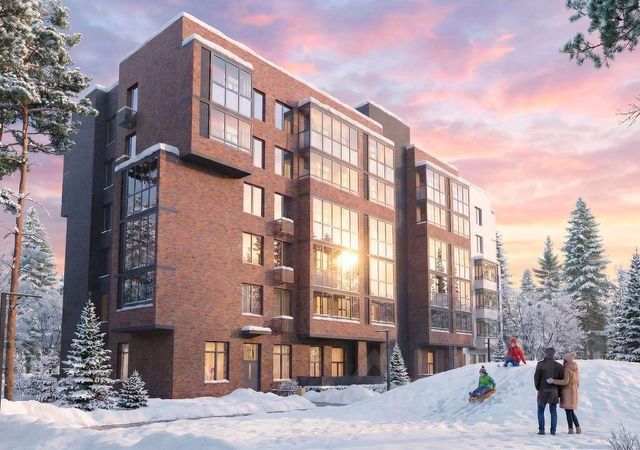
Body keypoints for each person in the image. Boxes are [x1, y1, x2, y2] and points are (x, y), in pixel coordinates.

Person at [547, 352, 581, 435]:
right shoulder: (575, 368)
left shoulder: (567, 368)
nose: (563, 361)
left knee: (568, 411)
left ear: (567, 360)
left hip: (567, 392)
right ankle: (578, 428)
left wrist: (553, 381)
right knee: (571, 411)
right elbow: (578, 382)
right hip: (574, 391)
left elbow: (565, 381)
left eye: (564, 359)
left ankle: (570, 429)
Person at [534, 347, 564, 435]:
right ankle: (553, 430)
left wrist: (538, 388)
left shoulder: (540, 364)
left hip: (542, 390)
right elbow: (561, 380)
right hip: (554, 391)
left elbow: (536, 378)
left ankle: (541, 430)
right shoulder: (559, 366)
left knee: (540, 411)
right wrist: (559, 392)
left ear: (546, 354)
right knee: (553, 411)